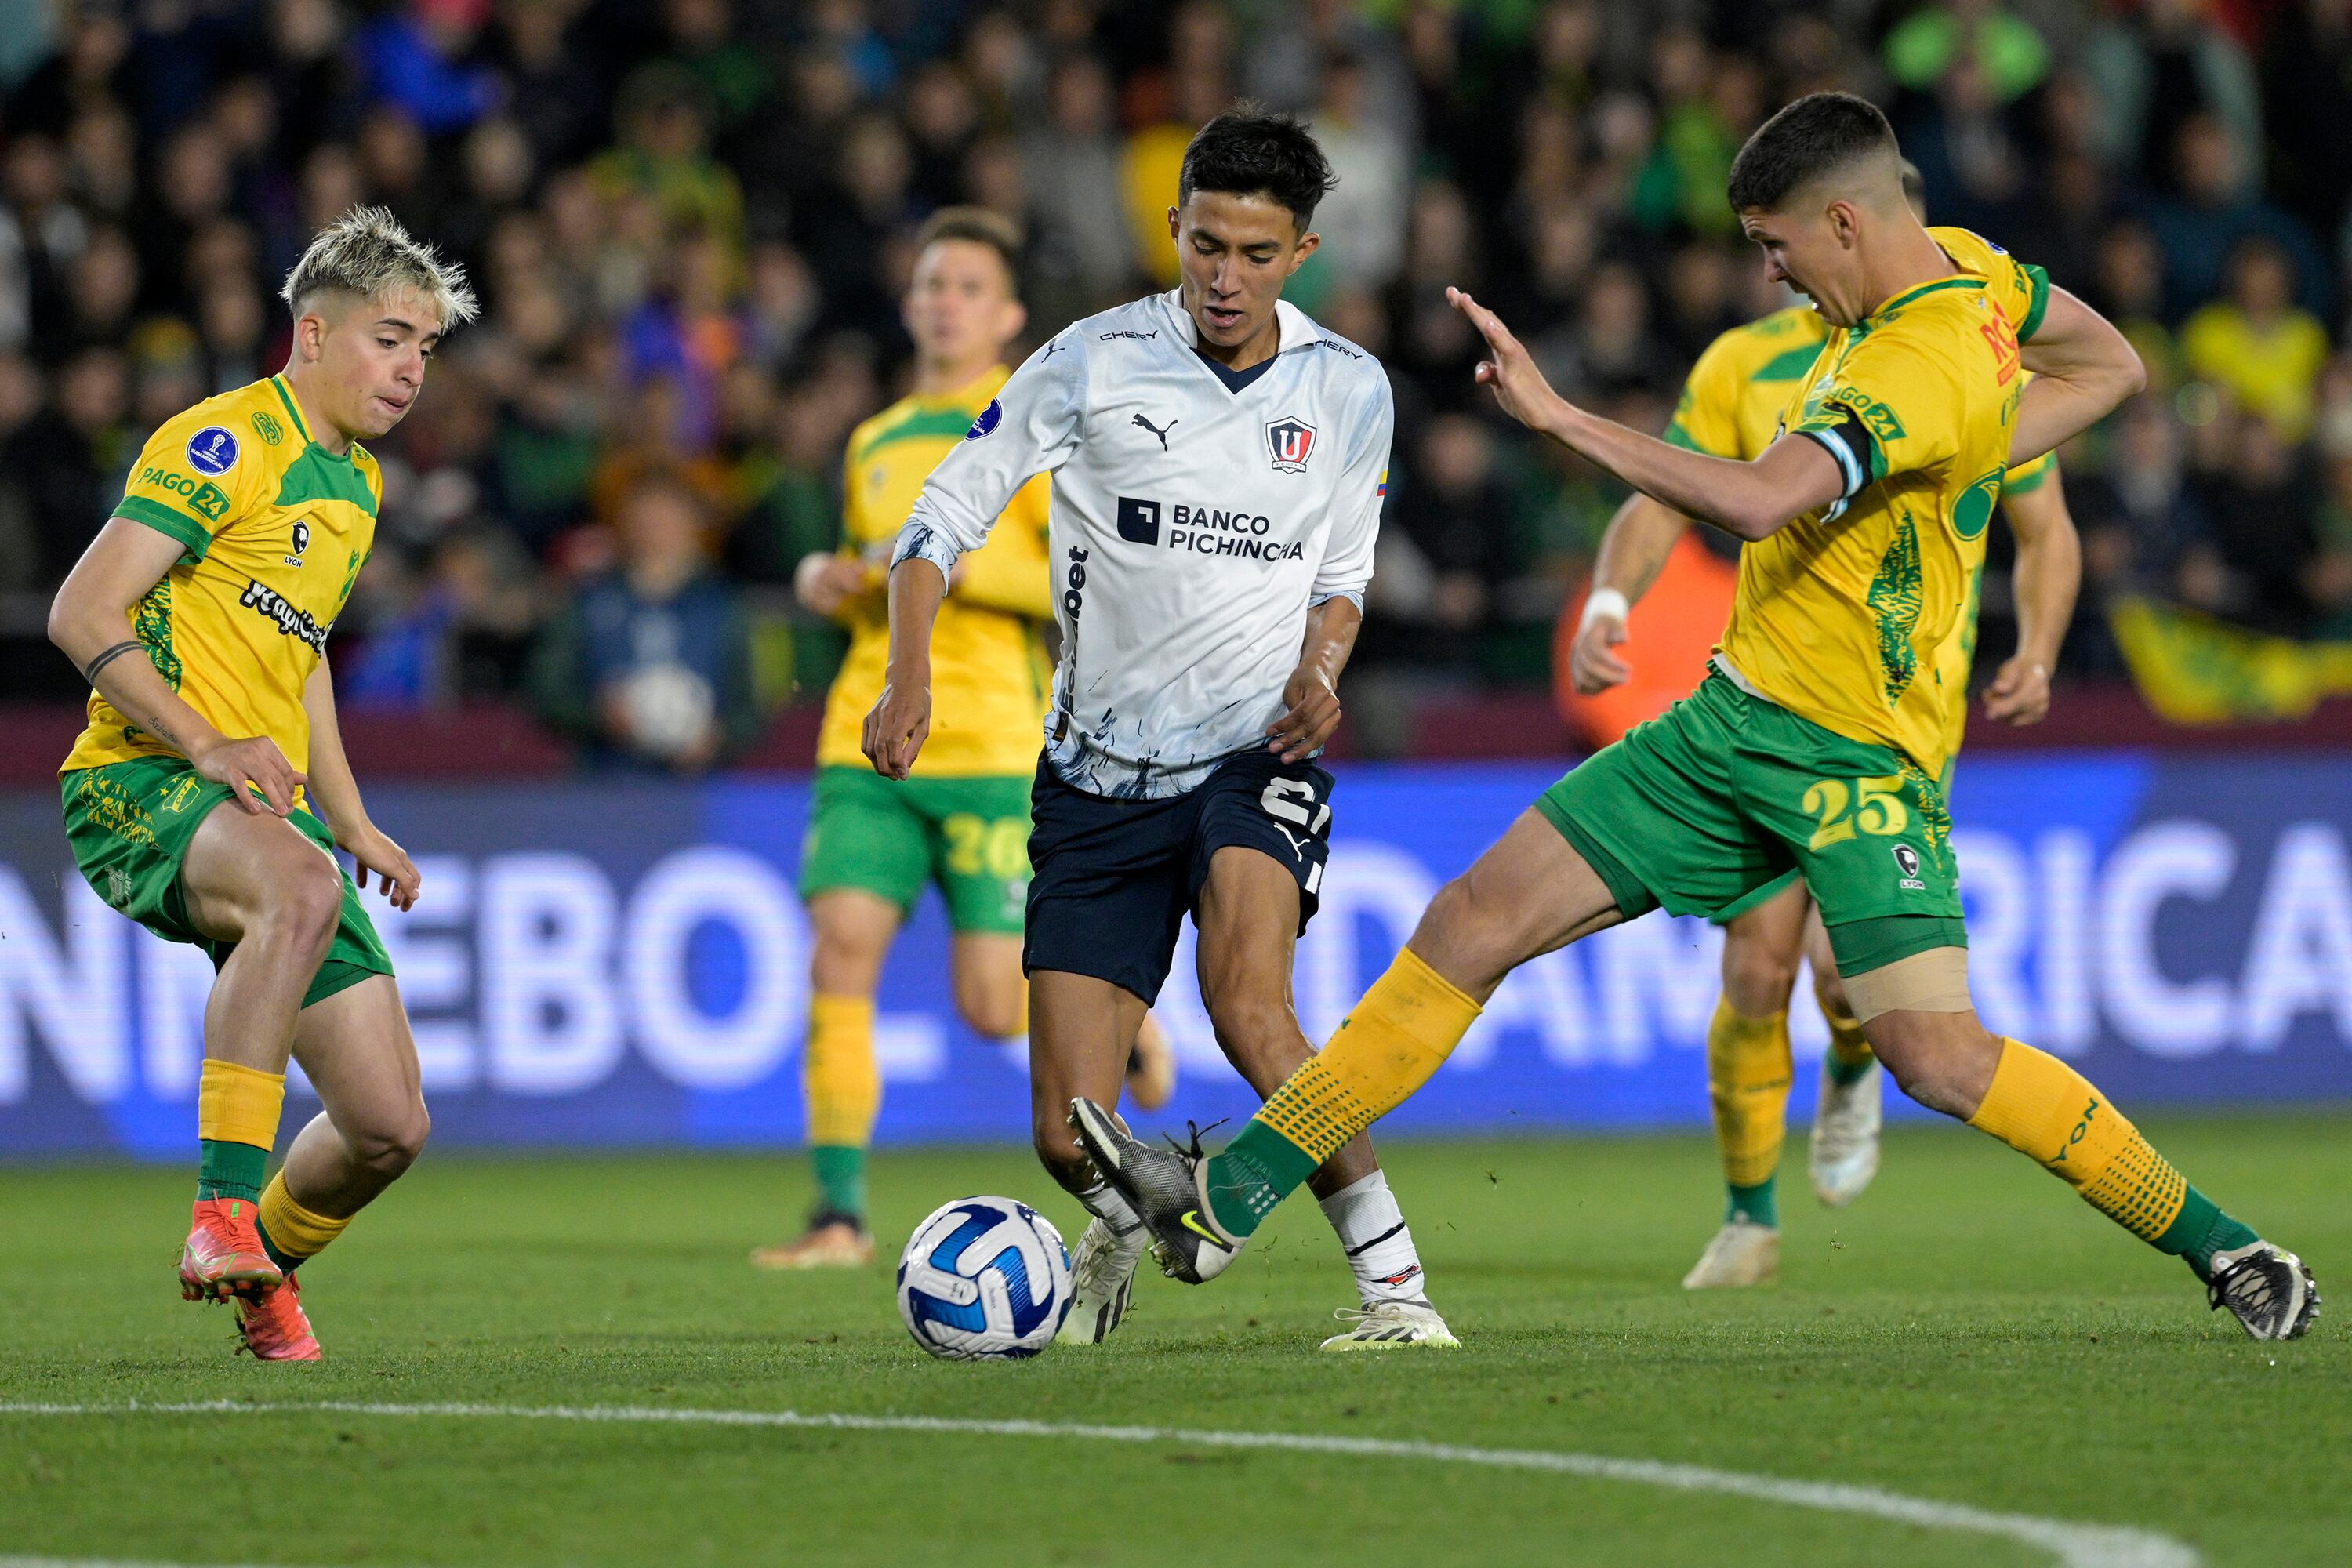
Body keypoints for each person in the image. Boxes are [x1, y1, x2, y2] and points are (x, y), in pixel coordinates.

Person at [1075, 93, 2321, 1344]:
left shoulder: (1916, 359)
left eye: (1780, 247)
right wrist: (1984, 447)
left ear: (1843, 221)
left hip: (1853, 764)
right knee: (1471, 920)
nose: (1769, 272)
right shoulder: (1979, 272)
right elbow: (2112, 364)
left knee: (1935, 1058)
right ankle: (1231, 1191)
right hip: (1725, 728)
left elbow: (1763, 500)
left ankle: (2228, 1248)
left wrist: (1564, 421)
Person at [865, 107, 1454, 1351]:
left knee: (1250, 1008)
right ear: (1175, 230)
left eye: (1252, 252)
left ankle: (1397, 1293)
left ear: (1301, 251)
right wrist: (907, 674)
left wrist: (1324, 669)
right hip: (1093, 779)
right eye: (1203, 247)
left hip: (1256, 755)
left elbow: (1342, 576)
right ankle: (1132, 1213)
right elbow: (939, 520)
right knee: (1060, 1129)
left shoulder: (1349, 387)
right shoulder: (1090, 359)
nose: (1223, 277)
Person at [1566, 162, 2084, 1289]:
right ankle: (1748, 1216)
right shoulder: (1742, 367)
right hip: (1773, 706)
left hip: (1903, 720)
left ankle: (1853, 1064)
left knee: (1850, 986)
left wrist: (2037, 649)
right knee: (1757, 964)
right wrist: (1612, 600)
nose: (1784, 262)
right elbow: (1664, 498)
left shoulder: (1955, 348)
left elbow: (2046, 526)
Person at [45, 206, 474, 1359]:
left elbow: (303, 659)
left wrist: (352, 819)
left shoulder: (357, 489)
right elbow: (80, 610)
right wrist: (205, 743)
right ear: (315, 333)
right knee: (296, 891)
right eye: (393, 338)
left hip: (255, 811)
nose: (412, 369)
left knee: (389, 1126)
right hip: (138, 781)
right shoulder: (225, 441)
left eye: (427, 349)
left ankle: (260, 1269)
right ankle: (218, 1211)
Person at [751, 208, 1173, 1272]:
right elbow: (874, 577)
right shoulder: (876, 441)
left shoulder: (1046, 433)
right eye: (932, 283)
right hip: (875, 737)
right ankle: (839, 1217)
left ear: (1010, 315)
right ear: (910, 301)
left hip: (992, 748)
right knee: (838, 951)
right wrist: (831, 580)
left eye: (968, 286)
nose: (945, 301)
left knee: (994, 1004)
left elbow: (1095, 587)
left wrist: (960, 564)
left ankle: (1129, 1019)